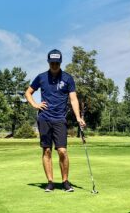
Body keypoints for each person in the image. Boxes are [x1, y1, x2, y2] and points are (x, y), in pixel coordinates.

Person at [25, 49, 86, 192]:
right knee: (46, 150)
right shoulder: (41, 77)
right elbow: (28, 92)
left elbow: (73, 99)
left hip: (60, 119)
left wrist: (78, 117)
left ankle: (65, 181)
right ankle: (50, 182)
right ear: (48, 62)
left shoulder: (68, 78)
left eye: (57, 63)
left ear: (60, 62)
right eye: (52, 63)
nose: (54, 65)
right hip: (44, 118)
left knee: (62, 151)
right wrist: (35, 105)